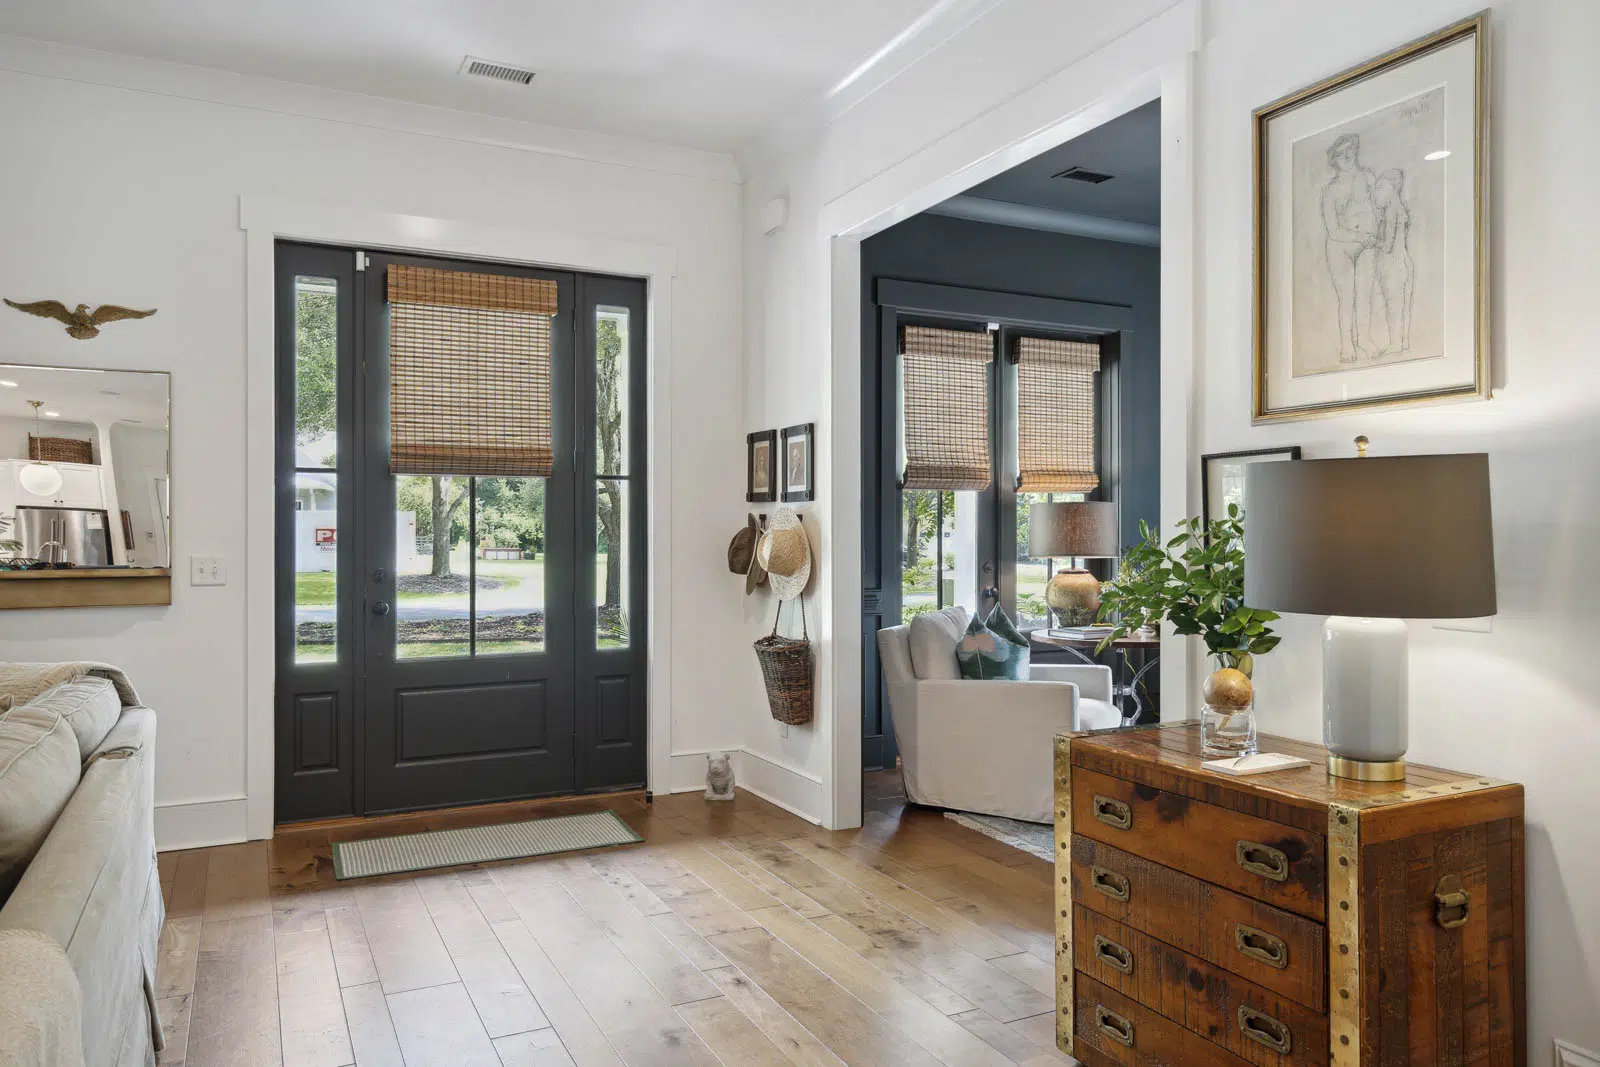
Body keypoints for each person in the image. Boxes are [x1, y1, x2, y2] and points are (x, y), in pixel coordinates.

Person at [1320, 133, 1379, 364]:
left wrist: (1374, 235)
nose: (1345, 155)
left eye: (1349, 150)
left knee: (1365, 294)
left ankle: (1364, 338)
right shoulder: (1329, 190)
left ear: (1356, 151)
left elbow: (1377, 209)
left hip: (1367, 245)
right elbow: (1334, 231)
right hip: (1340, 248)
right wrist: (1360, 236)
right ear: (1333, 159)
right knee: (1347, 297)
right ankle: (1347, 343)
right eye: (1340, 152)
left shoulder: (1368, 177)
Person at [1372, 168, 1415, 357]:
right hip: (1404, 260)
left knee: (1393, 305)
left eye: (1380, 187)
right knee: (1403, 304)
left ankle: (1395, 343)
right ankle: (1403, 341)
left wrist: (1371, 241)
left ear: (1393, 188)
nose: (1376, 193)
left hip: (1392, 264)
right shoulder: (1401, 209)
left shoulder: (1390, 211)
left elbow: (1387, 244)